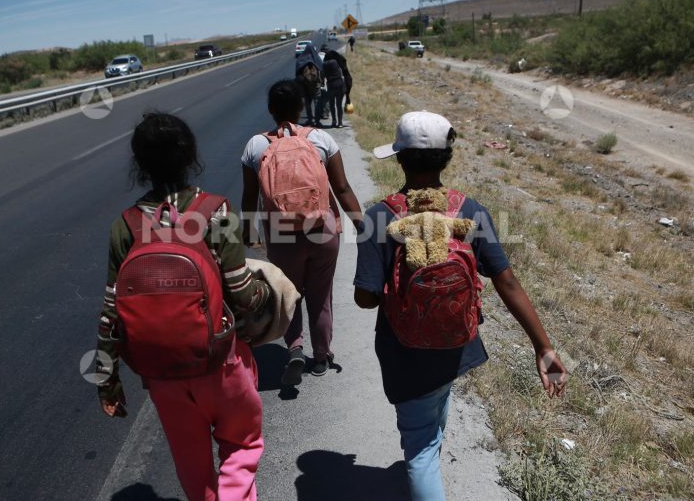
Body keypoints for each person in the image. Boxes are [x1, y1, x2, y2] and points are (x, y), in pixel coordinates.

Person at [353, 111, 568, 500]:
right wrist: (544, 348)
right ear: (446, 158)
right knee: (435, 414)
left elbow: (365, 299)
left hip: (404, 352)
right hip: (456, 344)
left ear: (399, 159)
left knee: (419, 450)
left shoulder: (378, 217)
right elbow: (506, 281)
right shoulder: (471, 211)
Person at [96, 112, 272, 501]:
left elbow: (111, 312)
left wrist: (107, 381)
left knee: (193, 466)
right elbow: (243, 295)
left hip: (162, 374)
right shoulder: (216, 212)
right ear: (190, 155)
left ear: (140, 163)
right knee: (241, 446)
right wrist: (269, 292)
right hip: (221, 362)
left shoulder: (126, 226)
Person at [241, 79, 363, 384]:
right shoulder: (321, 139)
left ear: (271, 109)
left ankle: (294, 348)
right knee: (321, 296)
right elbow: (342, 188)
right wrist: (361, 225)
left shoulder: (255, 146)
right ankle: (321, 356)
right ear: (301, 106)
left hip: (281, 233)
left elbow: (249, 197)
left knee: (289, 293)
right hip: (322, 230)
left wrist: (247, 230)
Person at [295, 43, 324, 126]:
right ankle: (317, 120)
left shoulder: (301, 59)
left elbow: (297, 72)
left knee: (307, 102)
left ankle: (310, 119)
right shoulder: (316, 58)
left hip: (304, 85)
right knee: (317, 102)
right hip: (316, 84)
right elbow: (321, 69)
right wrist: (322, 82)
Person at [323, 56, 345, 128]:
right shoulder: (335, 62)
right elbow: (341, 72)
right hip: (339, 84)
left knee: (332, 105)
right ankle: (340, 122)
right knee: (339, 105)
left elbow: (323, 75)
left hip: (331, 85)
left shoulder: (324, 64)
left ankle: (334, 121)